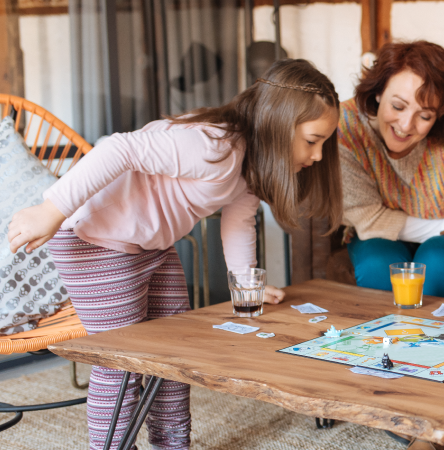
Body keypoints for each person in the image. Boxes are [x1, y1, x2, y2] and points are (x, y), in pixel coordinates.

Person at [6, 59, 342, 450]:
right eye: (313, 140)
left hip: (151, 248)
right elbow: (118, 149)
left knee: (174, 355)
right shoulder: (211, 144)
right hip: (95, 243)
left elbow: (239, 219)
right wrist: (52, 209)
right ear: (278, 122)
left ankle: (171, 444)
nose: (318, 156)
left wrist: (244, 281)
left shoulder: (251, 165)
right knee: (121, 364)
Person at [339, 40, 444, 301]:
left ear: (439, 116)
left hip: (441, 242)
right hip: (376, 235)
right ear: (379, 92)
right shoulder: (345, 127)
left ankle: (430, 340)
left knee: (438, 264)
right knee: (377, 265)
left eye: (424, 116)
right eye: (398, 106)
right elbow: (369, 220)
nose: (405, 125)